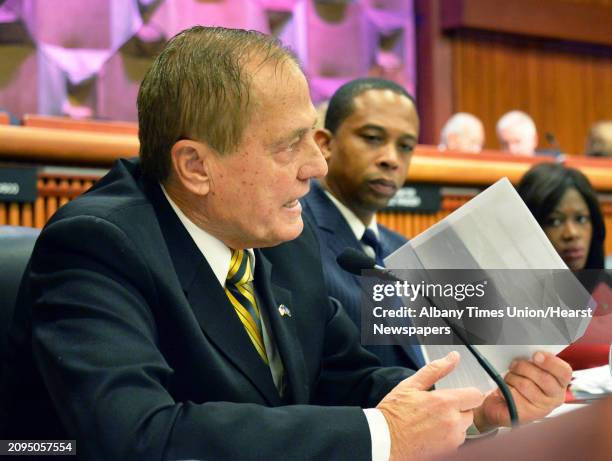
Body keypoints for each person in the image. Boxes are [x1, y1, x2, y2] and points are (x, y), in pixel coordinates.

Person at [1, 27, 570, 461]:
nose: (317, 166)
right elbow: (139, 435)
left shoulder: (277, 235)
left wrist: (471, 408)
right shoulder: (97, 247)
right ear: (196, 165)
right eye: (289, 145)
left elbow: (344, 377)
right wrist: (383, 433)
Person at [302, 78, 423, 370]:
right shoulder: (292, 234)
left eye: (405, 146)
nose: (391, 159)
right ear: (325, 144)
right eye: (372, 138)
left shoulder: (403, 250)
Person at [516, 163, 610, 370]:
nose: (572, 233)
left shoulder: (607, 286)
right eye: (555, 221)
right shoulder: (511, 300)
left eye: (581, 219)